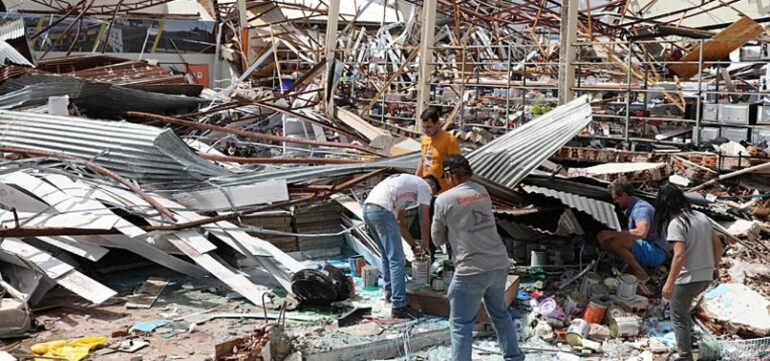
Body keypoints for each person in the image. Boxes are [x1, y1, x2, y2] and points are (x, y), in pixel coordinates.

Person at [431, 155, 524, 361]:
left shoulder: (443, 200)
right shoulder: (481, 191)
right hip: (498, 264)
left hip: (470, 270)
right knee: (500, 314)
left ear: (450, 175)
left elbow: (437, 238)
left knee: (461, 325)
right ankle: (514, 357)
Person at [655, 184, 722, 361]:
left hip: (687, 279)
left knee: (678, 317)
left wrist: (669, 283)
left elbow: (679, 255)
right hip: (705, 277)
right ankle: (692, 346)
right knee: (684, 313)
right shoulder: (701, 217)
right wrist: (715, 266)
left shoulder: (676, 224)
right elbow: (718, 244)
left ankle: (685, 356)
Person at [363, 173, 438, 318]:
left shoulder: (405, 189)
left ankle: (390, 294)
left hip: (368, 209)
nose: (429, 199)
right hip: (381, 210)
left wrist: (413, 246)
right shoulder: (425, 186)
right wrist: (426, 244)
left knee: (387, 256)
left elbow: (399, 222)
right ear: (432, 187)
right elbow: (424, 219)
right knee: (397, 260)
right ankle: (399, 305)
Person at [597, 179, 669, 289]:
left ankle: (641, 274)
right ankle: (629, 266)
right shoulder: (632, 208)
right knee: (606, 241)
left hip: (656, 252)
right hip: (649, 249)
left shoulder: (640, 210)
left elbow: (641, 232)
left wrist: (613, 234)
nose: (615, 202)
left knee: (615, 240)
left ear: (624, 195)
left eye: (616, 199)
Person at [416, 107, 462, 192]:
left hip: (444, 190)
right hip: (427, 188)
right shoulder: (425, 139)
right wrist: (416, 180)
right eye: (423, 127)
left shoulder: (449, 140)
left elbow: (457, 167)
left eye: (429, 127)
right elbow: (423, 161)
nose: (425, 130)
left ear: (437, 123)